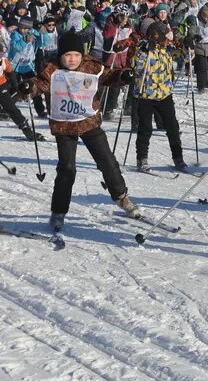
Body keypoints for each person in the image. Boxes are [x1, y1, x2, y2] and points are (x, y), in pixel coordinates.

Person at [26, 30, 140, 232]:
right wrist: (29, 87)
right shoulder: (52, 71)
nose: (72, 59)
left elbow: (110, 76)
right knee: (67, 168)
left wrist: (124, 76)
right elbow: (39, 84)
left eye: (76, 55)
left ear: (82, 55)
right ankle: (59, 211)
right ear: (61, 55)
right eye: (68, 55)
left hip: (88, 121)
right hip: (64, 125)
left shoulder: (92, 66)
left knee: (107, 160)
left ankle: (121, 197)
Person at [130, 20, 188, 172]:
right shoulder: (142, 48)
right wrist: (144, 52)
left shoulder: (167, 49)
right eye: (164, 37)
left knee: (172, 127)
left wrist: (188, 47)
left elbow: (185, 57)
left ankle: (178, 158)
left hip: (164, 94)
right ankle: (142, 159)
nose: (167, 40)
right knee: (145, 128)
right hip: (146, 95)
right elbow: (136, 66)